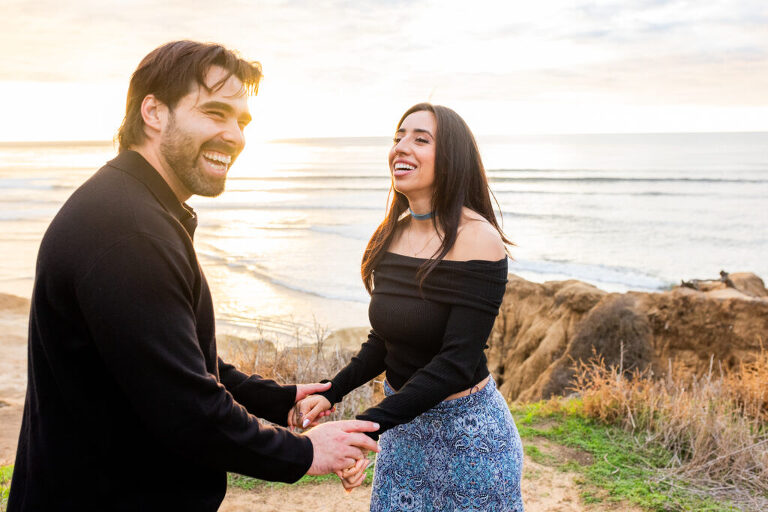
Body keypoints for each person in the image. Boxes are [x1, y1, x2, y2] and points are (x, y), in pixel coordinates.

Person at [7, 40, 379, 511]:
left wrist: (275, 399)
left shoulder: (134, 208)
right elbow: (188, 410)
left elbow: (172, 356)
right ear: (154, 112)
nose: (235, 136)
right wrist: (306, 452)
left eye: (241, 122)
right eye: (215, 112)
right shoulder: (129, 232)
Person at [293, 103, 525, 510]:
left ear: (451, 157)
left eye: (420, 139)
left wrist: (365, 427)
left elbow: (455, 362)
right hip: (401, 430)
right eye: (398, 137)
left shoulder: (478, 239)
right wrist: (333, 392)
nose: (401, 147)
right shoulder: (391, 235)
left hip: (469, 438)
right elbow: (384, 341)